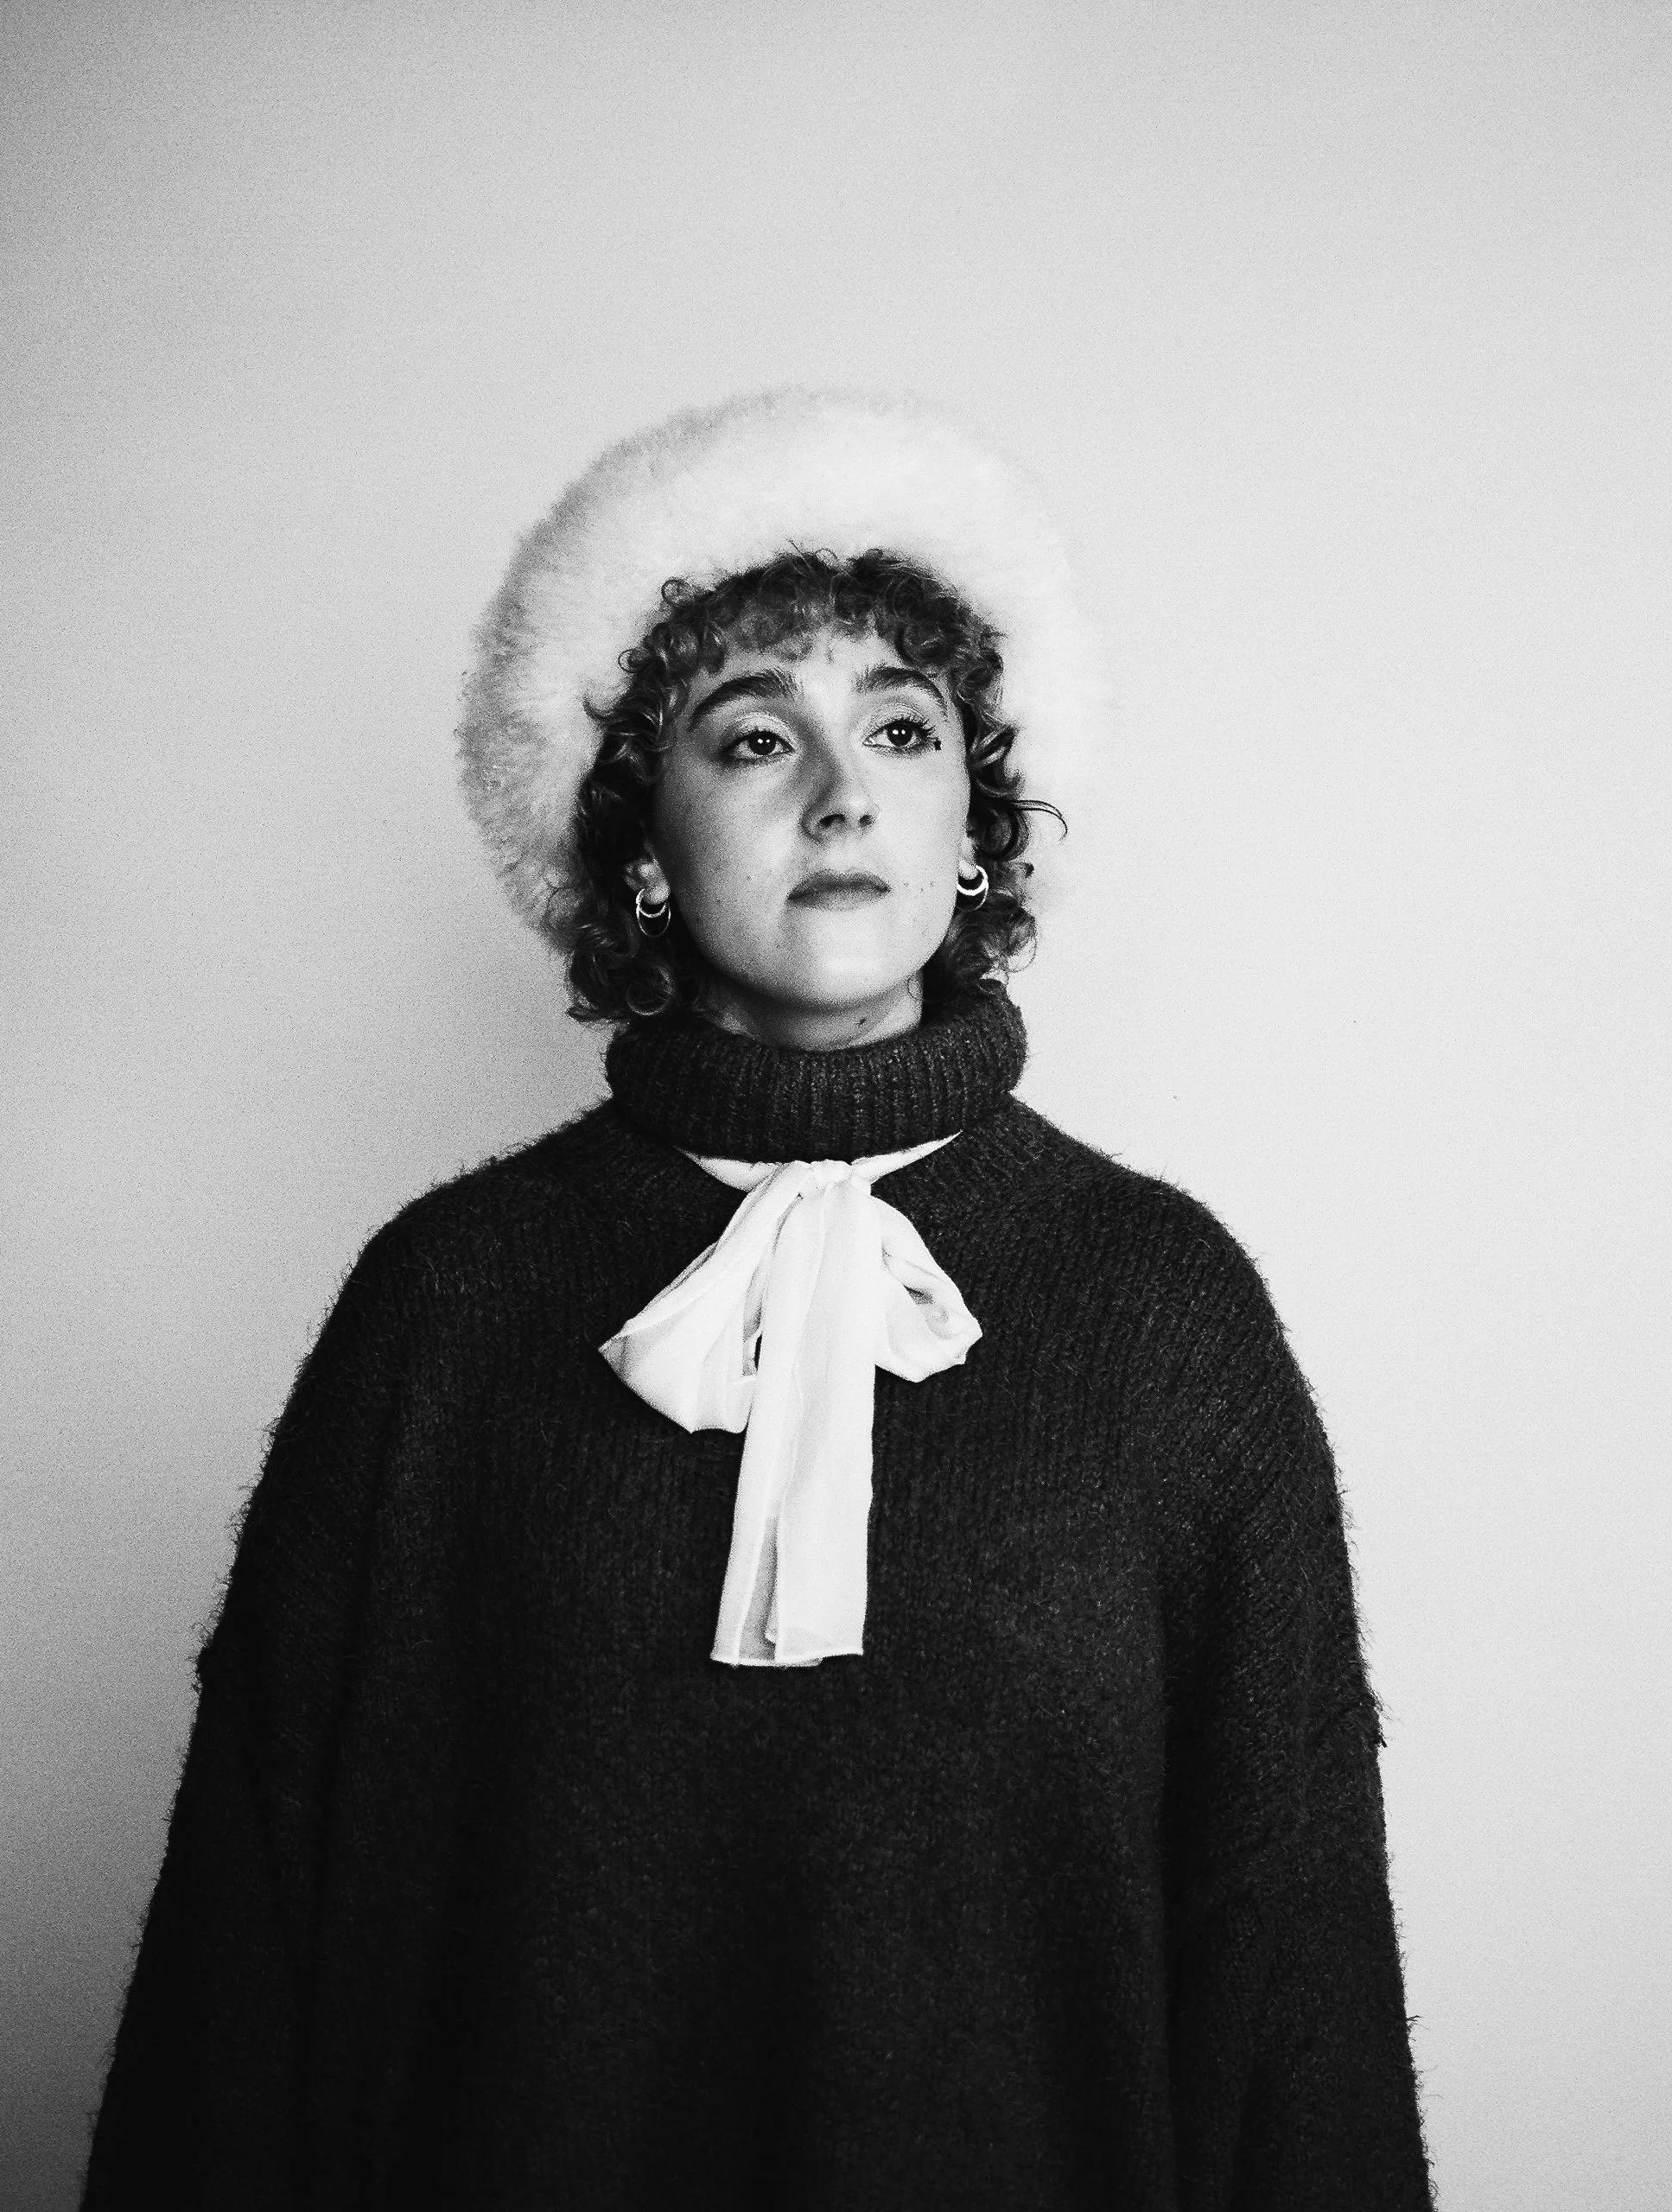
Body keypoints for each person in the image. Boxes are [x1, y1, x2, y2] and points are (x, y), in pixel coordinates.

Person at [83, 391, 1433, 2209]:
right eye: (752, 736)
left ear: (976, 824)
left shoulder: (1161, 1306)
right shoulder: (448, 1303)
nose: (841, 790)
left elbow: (1295, 1976)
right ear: (638, 839)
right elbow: (247, 1954)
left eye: (901, 727)